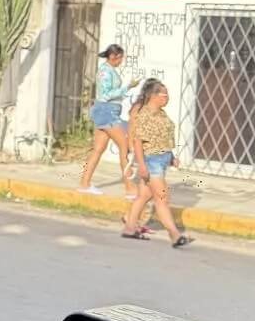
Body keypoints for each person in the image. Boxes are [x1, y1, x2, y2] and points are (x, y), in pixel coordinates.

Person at [122, 80, 193, 248]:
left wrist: (171, 157)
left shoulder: (161, 114)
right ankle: (174, 235)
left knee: (143, 196)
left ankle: (130, 228)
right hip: (151, 161)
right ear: (153, 96)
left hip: (161, 160)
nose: (167, 98)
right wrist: (142, 166)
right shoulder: (144, 115)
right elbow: (138, 142)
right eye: (164, 95)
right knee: (162, 199)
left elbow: (164, 139)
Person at [78, 45, 133, 194]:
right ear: (114, 56)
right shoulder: (105, 71)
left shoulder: (108, 70)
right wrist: (126, 88)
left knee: (98, 149)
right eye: (121, 58)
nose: (122, 61)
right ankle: (130, 187)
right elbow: (106, 94)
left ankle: (84, 183)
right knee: (124, 146)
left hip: (106, 111)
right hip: (107, 111)